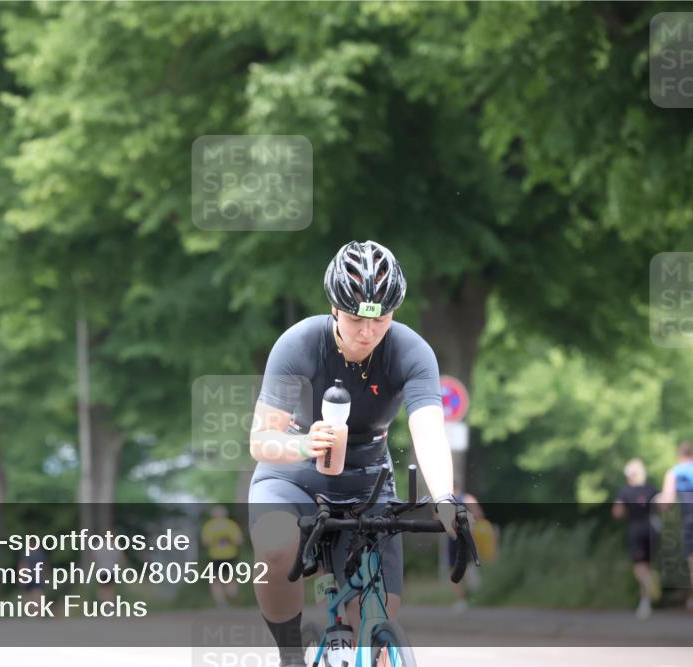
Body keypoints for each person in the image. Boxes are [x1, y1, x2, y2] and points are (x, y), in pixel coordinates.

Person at [247, 240, 461, 667]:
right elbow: (260, 440)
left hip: (367, 479)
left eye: (381, 319)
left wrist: (445, 499)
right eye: (355, 319)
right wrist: (303, 444)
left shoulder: (411, 351)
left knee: (376, 623)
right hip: (290, 471)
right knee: (275, 545)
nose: (368, 332)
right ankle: (290, 654)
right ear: (334, 308)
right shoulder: (299, 344)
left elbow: (429, 431)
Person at [654, 441, 693, 622]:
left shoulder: (675, 472)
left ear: (680, 455)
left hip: (689, 517)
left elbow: (667, 500)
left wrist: (659, 503)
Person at [612, 458, 660, 619]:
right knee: (648, 566)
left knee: (640, 568)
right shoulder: (651, 489)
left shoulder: (625, 491)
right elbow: (664, 505)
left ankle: (647, 592)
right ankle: (645, 602)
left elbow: (617, 513)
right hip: (653, 530)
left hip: (636, 530)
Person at [444, 483, 484, 613]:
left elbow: (438, 518)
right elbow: (478, 515)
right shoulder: (467, 498)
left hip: (453, 537)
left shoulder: (443, 500)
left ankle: (462, 600)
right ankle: (472, 595)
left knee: (453, 569)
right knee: (468, 566)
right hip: (466, 536)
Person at [201, 505, 244, 607]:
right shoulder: (231, 525)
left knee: (217, 579)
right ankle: (229, 598)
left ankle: (223, 600)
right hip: (228, 555)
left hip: (219, 556)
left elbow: (205, 542)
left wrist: (217, 539)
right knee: (227, 577)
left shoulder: (210, 525)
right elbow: (239, 541)